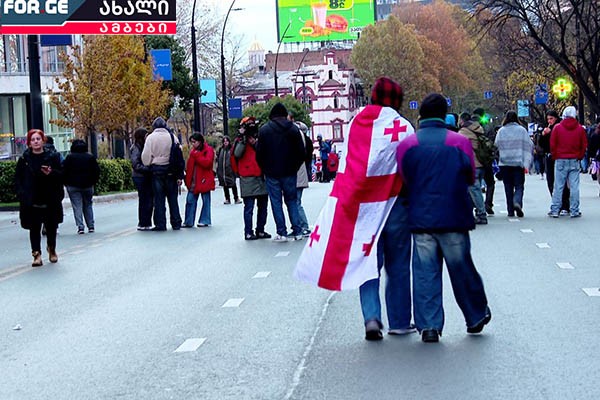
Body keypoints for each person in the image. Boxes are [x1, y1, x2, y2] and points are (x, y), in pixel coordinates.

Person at [396, 93, 491, 343]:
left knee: (425, 271)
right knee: (461, 268)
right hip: (454, 216)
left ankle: (429, 325)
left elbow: (403, 180)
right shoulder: (459, 142)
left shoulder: (407, 145)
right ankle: (476, 315)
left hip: (421, 218)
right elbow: (470, 176)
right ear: (444, 115)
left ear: (421, 116)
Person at [358, 77, 416, 341]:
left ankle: (371, 317)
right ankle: (400, 321)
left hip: (365, 208)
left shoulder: (356, 124)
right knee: (398, 265)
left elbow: (349, 169)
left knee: (368, 265)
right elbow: (411, 167)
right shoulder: (402, 126)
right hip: (395, 205)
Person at [255, 102, 306, 242]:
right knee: (292, 201)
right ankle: (297, 231)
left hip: (271, 173)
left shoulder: (264, 130)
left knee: (276, 202)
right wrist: (295, 166)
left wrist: (265, 168)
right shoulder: (293, 130)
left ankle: (282, 232)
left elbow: (259, 154)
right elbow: (302, 152)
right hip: (290, 171)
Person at [14, 129, 64, 267]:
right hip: (31, 199)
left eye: (38, 139)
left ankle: (52, 249)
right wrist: (21, 193)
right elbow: (18, 179)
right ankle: (36, 254)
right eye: (33, 139)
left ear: (43, 141)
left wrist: (51, 173)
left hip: (49, 197)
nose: (36, 142)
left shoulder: (53, 157)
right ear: (29, 143)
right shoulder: (24, 159)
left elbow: (62, 175)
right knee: (34, 228)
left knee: (51, 226)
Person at [232, 117, 271, 240]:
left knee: (263, 206)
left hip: (261, 175)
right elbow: (237, 154)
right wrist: (243, 139)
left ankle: (260, 230)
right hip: (247, 176)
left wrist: (256, 142)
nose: (251, 127)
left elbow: (266, 152)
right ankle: (248, 232)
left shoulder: (260, 138)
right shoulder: (239, 140)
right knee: (249, 208)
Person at [141, 117, 183, 231]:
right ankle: (176, 222)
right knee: (172, 199)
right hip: (171, 170)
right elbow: (179, 155)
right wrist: (179, 174)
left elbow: (145, 158)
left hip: (157, 170)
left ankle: (160, 224)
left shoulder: (150, 138)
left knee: (159, 199)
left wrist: (150, 162)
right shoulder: (172, 137)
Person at [548, 106, 588, 218]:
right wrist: (579, 156)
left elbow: (553, 144)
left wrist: (555, 156)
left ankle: (555, 209)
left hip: (560, 159)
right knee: (574, 186)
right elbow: (584, 145)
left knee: (558, 186)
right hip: (574, 159)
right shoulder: (580, 128)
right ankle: (574, 210)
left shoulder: (557, 128)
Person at [494, 111, 533, 217]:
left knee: (508, 187)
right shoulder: (522, 130)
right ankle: (517, 201)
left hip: (505, 164)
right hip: (518, 163)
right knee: (519, 186)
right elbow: (529, 145)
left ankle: (510, 210)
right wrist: (527, 163)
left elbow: (496, 144)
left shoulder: (501, 131)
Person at [62, 139, 100, 234]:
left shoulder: (69, 157)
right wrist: (93, 182)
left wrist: (66, 182)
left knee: (77, 206)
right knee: (88, 205)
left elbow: (64, 171)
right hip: (88, 185)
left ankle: (80, 226)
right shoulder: (90, 157)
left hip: (73, 185)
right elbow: (96, 171)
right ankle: (91, 225)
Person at [458, 112, 488, 224]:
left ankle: (481, 214)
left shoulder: (463, 132)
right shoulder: (478, 128)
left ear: (462, 120)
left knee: (475, 191)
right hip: (480, 164)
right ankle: (473, 213)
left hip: (472, 164)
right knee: (474, 190)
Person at [539, 110, 570, 215]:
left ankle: (565, 204)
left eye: (551, 118)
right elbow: (542, 145)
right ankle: (556, 203)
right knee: (551, 181)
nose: (549, 121)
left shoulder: (560, 128)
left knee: (561, 181)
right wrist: (543, 135)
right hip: (549, 157)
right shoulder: (548, 128)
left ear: (556, 118)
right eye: (548, 119)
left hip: (559, 157)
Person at [183, 133, 215, 227]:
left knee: (206, 201)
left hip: (204, 179)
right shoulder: (193, 152)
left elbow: (207, 163)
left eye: (194, 142)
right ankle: (188, 221)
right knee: (190, 201)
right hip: (194, 180)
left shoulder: (208, 150)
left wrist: (197, 156)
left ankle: (205, 220)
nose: (193, 144)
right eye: (192, 142)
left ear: (200, 141)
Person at [131, 127, 154, 231]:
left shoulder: (143, 147)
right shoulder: (136, 148)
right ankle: (143, 222)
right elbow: (135, 164)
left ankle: (146, 222)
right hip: (140, 176)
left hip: (144, 176)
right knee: (145, 200)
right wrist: (147, 169)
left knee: (147, 200)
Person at [294, 120, 314, 237]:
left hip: (298, 174)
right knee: (296, 201)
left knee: (296, 202)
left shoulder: (302, 141)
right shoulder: (306, 142)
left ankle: (303, 226)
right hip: (300, 173)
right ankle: (300, 225)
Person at [216, 136, 241, 204]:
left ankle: (236, 198)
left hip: (230, 170)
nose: (225, 142)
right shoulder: (221, 150)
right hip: (222, 170)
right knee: (225, 185)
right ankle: (227, 199)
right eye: (224, 141)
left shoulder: (232, 150)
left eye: (226, 141)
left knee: (233, 184)